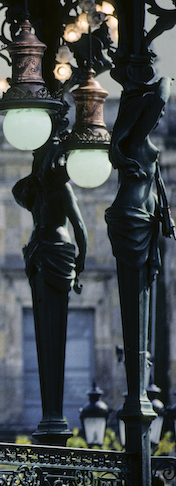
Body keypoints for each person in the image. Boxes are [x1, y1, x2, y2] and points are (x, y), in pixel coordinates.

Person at [105, 77, 174, 418]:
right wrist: (160, 81)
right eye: (154, 113)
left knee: (143, 289)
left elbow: (156, 182)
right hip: (132, 217)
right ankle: (136, 395)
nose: (158, 117)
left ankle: (138, 393)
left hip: (145, 219)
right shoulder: (133, 140)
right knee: (136, 294)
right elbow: (160, 93)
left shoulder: (141, 143)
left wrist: (166, 216)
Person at [12, 138, 87, 443]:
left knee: (54, 325)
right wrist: (36, 166)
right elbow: (20, 191)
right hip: (38, 250)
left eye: (43, 158)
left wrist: (80, 263)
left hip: (56, 251)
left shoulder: (61, 190)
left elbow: (79, 227)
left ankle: (54, 415)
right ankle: (50, 415)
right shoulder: (37, 191)